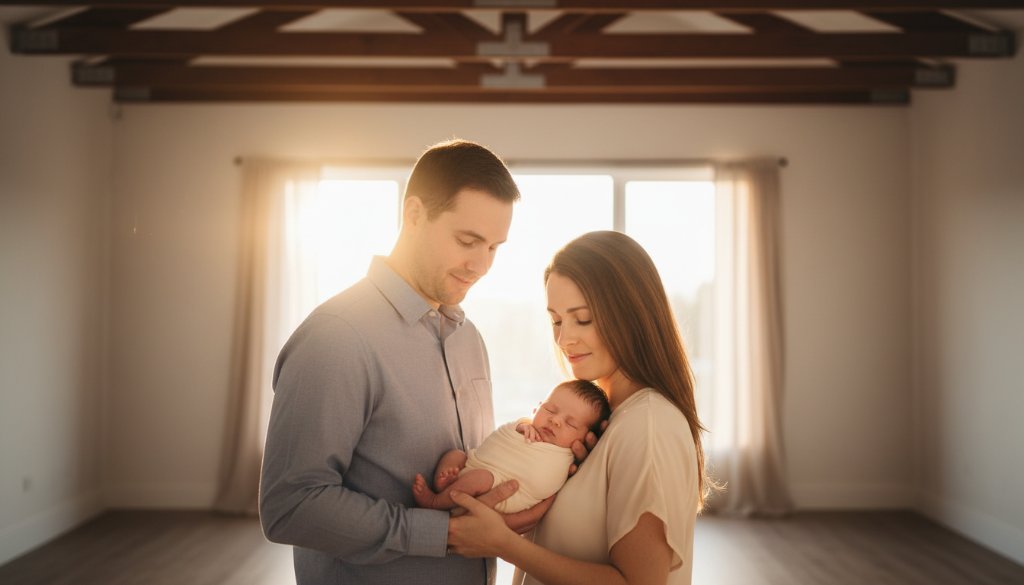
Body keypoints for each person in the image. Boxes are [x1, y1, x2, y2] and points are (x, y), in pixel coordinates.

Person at [259, 139, 551, 585]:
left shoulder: (469, 338)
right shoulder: (336, 336)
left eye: (494, 247)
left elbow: (470, 470)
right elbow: (291, 506)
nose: (481, 265)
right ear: (413, 215)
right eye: (468, 241)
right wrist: (443, 533)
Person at [445, 230, 713, 585]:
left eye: (582, 318)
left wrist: (502, 543)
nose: (563, 338)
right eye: (556, 320)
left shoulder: (648, 424)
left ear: (631, 316)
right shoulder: (607, 423)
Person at [413, 379, 611, 514]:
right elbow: (505, 434)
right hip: (474, 465)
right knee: (455, 455)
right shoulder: (526, 427)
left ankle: (435, 502)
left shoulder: (566, 457)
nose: (555, 420)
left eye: (571, 423)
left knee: (481, 477)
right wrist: (522, 426)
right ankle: (447, 484)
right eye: (550, 409)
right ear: (537, 408)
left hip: (499, 490)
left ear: (586, 438)